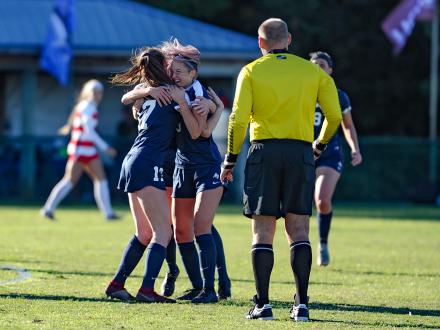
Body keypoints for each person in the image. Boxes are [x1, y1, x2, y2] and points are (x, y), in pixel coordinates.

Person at [220, 18, 342, 321]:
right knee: (299, 229)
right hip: (301, 152)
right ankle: (301, 305)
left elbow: (237, 119)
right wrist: (319, 146)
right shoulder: (312, 71)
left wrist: (230, 159)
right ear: (288, 39)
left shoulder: (251, 71)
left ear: (260, 43)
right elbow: (335, 115)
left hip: (265, 152)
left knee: (263, 230)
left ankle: (262, 305)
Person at [123, 39, 232, 303]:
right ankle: (179, 276)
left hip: (196, 162)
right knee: (175, 226)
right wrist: (142, 95)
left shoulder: (194, 90)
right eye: (170, 68)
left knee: (200, 224)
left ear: (191, 72)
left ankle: (219, 282)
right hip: (172, 163)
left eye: (177, 69)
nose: (172, 73)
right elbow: (128, 97)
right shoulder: (158, 88)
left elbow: (201, 129)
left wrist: (213, 108)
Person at [105, 47, 188, 303]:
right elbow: (195, 127)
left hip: (133, 160)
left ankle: (116, 284)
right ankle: (147, 290)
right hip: (148, 162)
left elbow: (126, 98)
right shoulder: (171, 93)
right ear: (163, 66)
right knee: (163, 232)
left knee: (145, 233)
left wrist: (144, 93)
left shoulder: (150, 92)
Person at [309, 51, 362, 267]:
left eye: (322, 64)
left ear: (330, 70)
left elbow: (347, 125)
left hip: (329, 154)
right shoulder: (301, 92)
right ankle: (300, 248)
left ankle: (322, 243)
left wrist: (355, 149)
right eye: (313, 65)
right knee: (298, 206)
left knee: (321, 200)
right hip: (303, 153)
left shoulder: (339, 95)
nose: (317, 68)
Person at [40, 79, 119, 221]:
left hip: (86, 150)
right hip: (81, 150)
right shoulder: (88, 107)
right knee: (70, 180)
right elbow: (89, 132)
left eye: (100, 92)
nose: (98, 95)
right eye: (95, 92)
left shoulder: (85, 106)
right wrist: (105, 148)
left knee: (100, 179)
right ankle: (48, 209)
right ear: (88, 93)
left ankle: (108, 214)